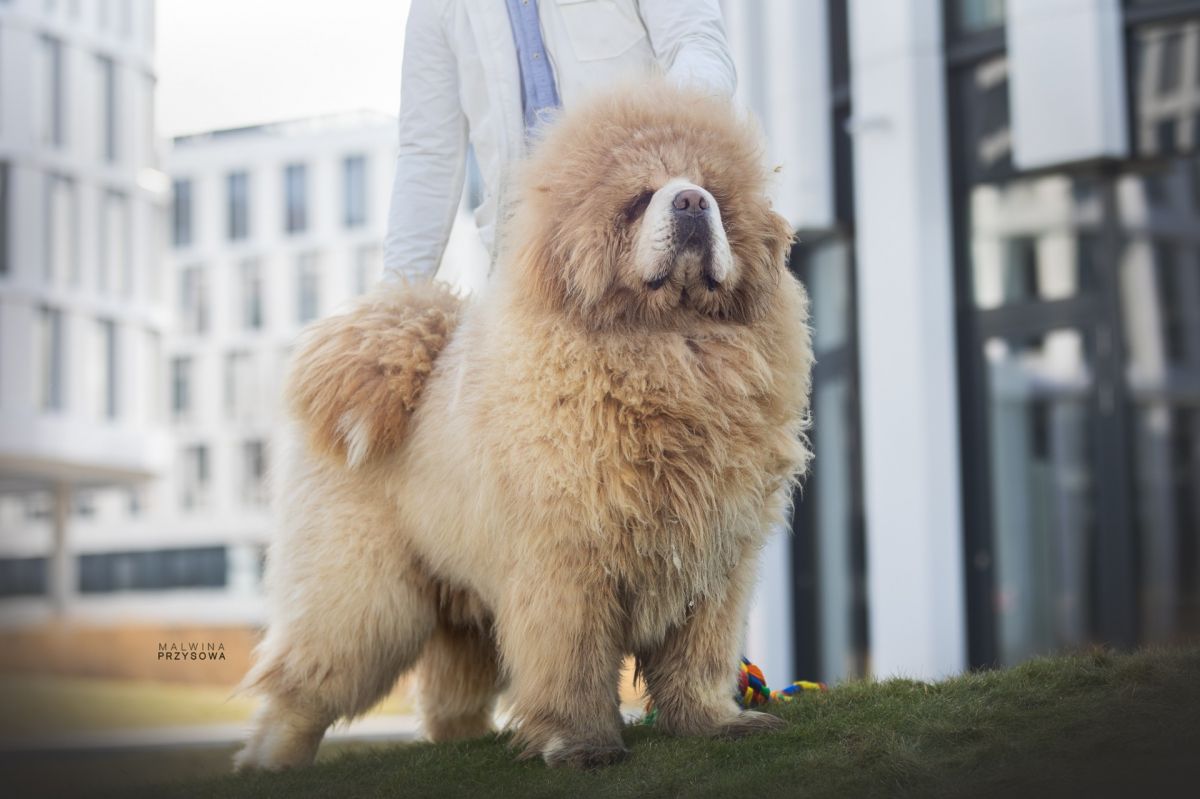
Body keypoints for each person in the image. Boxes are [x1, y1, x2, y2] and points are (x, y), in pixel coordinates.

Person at [382, 0, 737, 283]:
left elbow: (698, 45)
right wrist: (393, 305)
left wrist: (656, 132)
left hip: (647, 250)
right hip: (526, 270)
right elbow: (428, 157)